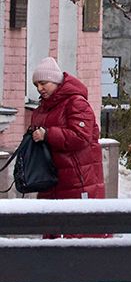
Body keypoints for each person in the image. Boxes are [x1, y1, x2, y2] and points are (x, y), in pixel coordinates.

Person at [27, 58, 105, 200]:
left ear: (56, 81)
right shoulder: (41, 109)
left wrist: (48, 134)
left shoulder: (76, 103)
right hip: (50, 181)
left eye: (43, 83)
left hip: (78, 182)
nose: (39, 88)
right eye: (36, 85)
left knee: (75, 221)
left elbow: (81, 137)